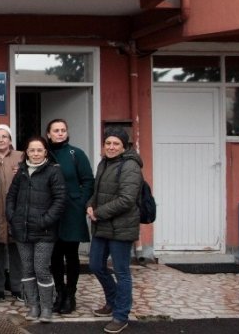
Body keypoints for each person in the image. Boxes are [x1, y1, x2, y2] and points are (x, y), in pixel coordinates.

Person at [87, 127, 141, 334]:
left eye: (115, 144)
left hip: (121, 227)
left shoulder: (130, 166)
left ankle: (121, 315)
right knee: (95, 265)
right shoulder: (104, 163)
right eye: (108, 143)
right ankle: (113, 300)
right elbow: (97, 190)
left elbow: (127, 199)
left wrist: (99, 213)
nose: (111, 147)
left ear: (124, 146)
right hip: (102, 225)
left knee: (122, 272)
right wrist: (90, 205)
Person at [6, 136, 65, 323]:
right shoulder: (21, 172)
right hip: (22, 230)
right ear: (27, 153)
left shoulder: (53, 172)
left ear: (45, 152)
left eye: (39, 150)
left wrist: (45, 220)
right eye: (32, 150)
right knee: (27, 269)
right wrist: (12, 217)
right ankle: (33, 306)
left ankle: (47, 307)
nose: (36, 153)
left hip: (44, 231)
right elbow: (11, 197)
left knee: (41, 268)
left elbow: (60, 199)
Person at [45, 118, 95, 314]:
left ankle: (71, 295)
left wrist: (81, 202)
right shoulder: (44, 154)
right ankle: (60, 293)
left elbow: (88, 180)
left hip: (72, 211)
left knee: (71, 255)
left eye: (63, 130)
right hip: (50, 211)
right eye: (56, 130)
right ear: (48, 134)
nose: (60, 133)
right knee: (55, 255)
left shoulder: (76, 154)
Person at [0, 124, 24, 302]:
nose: (1, 139)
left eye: (4, 136)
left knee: (16, 249)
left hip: (16, 210)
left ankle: (17, 286)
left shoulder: (21, 157)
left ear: (10, 139)